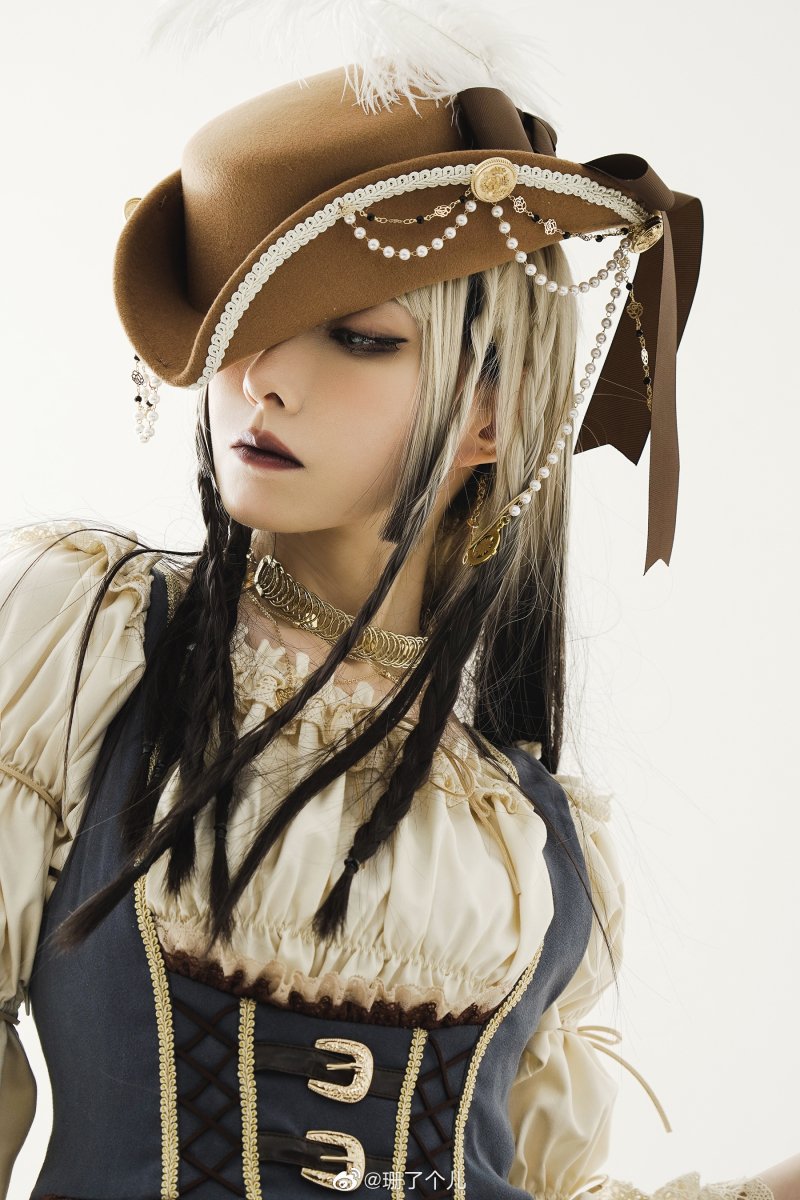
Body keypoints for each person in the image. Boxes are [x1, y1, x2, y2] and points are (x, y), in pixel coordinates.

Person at [0, 6, 797, 1198]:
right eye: (240, 324)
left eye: (354, 338)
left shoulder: (531, 845)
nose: (262, 377)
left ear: (491, 413)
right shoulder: (84, 649)